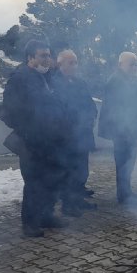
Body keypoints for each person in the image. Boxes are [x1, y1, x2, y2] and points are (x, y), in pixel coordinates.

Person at [2, 40, 68, 238]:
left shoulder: (46, 77)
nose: (47, 59)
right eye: (42, 55)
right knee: (34, 182)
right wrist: (28, 130)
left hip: (52, 139)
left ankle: (46, 215)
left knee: (52, 179)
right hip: (33, 140)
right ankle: (30, 223)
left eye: (48, 55)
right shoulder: (19, 78)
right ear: (30, 58)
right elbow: (10, 112)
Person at [49, 50, 98, 216]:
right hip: (67, 137)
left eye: (76, 62)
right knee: (68, 171)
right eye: (71, 62)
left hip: (83, 134)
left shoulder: (80, 82)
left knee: (82, 170)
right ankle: (68, 205)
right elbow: (57, 111)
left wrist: (91, 117)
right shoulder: (54, 83)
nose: (74, 66)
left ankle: (78, 199)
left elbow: (90, 104)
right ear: (60, 64)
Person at [99, 52, 137, 205]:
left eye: (136, 64)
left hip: (129, 129)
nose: (135, 67)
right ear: (121, 64)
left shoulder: (127, 79)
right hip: (122, 130)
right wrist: (123, 129)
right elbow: (114, 109)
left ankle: (127, 192)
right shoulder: (116, 81)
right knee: (123, 163)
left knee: (129, 163)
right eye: (131, 64)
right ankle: (124, 195)